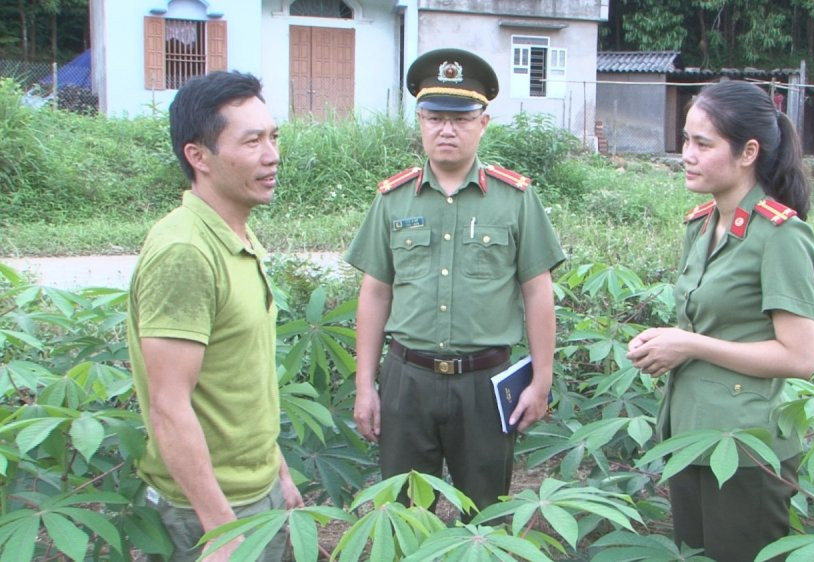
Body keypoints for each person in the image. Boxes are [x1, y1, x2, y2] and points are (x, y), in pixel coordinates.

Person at [345, 48, 565, 515]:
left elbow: (537, 291)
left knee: (484, 512)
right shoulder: (393, 198)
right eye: (435, 118)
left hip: (484, 384)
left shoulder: (516, 199)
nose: (447, 130)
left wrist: (541, 381)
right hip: (408, 380)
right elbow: (375, 292)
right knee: (405, 514)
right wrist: (366, 385)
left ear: (482, 123)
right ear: (420, 122)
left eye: (461, 119)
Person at [626, 80, 814, 561]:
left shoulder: (780, 236)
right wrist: (666, 343)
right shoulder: (701, 225)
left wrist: (689, 345)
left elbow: (800, 357)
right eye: (686, 140)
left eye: (702, 143)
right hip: (690, 430)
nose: (685, 154)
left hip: (746, 445)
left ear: (748, 152)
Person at [126, 71, 303, 561]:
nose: (272, 156)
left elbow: (238, 377)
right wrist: (220, 528)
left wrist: (278, 472)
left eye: (273, 137)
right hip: (211, 510)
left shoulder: (236, 236)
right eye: (252, 142)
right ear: (198, 156)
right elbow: (169, 404)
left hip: (256, 491)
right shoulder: (185, 250)